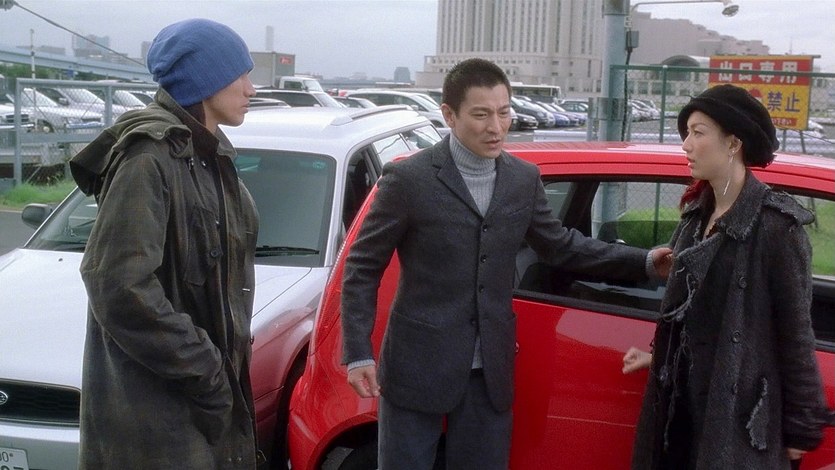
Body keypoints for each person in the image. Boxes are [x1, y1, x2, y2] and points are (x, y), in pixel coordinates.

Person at [340, 57, 672, 470]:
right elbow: (362, 267)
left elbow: (560, 246)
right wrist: (358, 353)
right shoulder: (409, 180)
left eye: (503, 112)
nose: (496, 127)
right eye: (481, 115)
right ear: (449, 115)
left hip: (490, 368)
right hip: (417, 362)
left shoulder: (522, 178)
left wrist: (644, 262)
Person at [70, 19, 260, 468]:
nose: (251, 89)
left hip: (198, 412)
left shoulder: (207, 153)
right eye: (240, 75)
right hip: (158, 421)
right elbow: (118, 284)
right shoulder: (148, 157)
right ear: (206, 81)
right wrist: (207, 371)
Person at [624, 84, 831, 469]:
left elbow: (796, 336)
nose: (686, 144)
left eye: (698, 133)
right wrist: (657, 358)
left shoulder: (777, 228)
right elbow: (690, 316)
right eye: (686, 133)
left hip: (736, 419)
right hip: (680, 410)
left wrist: (801, 428)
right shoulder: (694, 217)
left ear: (733, 143)